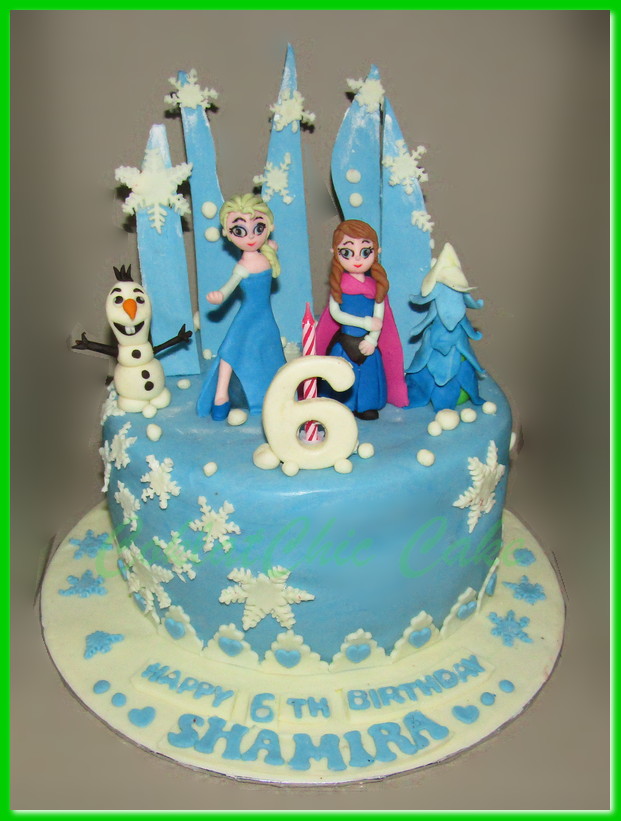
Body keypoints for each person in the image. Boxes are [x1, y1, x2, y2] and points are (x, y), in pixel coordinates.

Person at [196, 194, 285, 420]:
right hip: (248, 316)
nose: (251, 237)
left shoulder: (268, 253)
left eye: (258, 227)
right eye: (239, 230)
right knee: (230, 350)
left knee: (269, 352)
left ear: (270, 226)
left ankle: (277, 391)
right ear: (227, 233)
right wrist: (219, 295)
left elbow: (271, 250)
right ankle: (221, 395)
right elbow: (227, 289)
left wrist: (271, 248)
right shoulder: (242, 267)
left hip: (265, 316)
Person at [316, 219, 408, 419]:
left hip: (367, 343)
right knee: (342, 372)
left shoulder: (377, 287)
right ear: (334, 252)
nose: (357, 258)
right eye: (347, 252)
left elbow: (379, 317)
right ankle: (342, 404)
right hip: (346, 341)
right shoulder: (338, 286)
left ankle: (366, 406)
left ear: (377, 251)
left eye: (365, 251)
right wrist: (364, 323)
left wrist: (372, 340)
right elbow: (336, 314)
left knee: (368, 375)